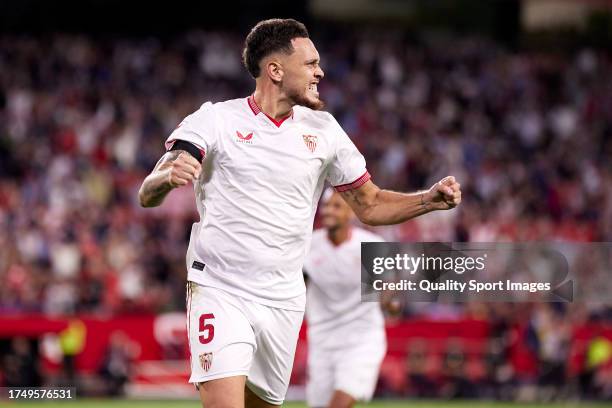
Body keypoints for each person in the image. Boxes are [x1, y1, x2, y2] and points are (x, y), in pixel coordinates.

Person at [138, 18, 461, 408]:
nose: (320, 72)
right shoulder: (217, 119)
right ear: (275, 70)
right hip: (221, 289)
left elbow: (370, 204)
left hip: (283, 298)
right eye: (310, 64)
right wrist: (166, 178)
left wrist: (427, 199)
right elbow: (147, 191)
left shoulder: (324, 130)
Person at [303, 190, 394, 408]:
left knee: (340, 403)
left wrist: (391, 302)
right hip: (322, 340)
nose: (328, 211)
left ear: (351, 212)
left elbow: (388, 292)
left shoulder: (372, 246)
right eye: (326, 206)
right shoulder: (307, 245)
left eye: (336, 206)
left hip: (361, 339)